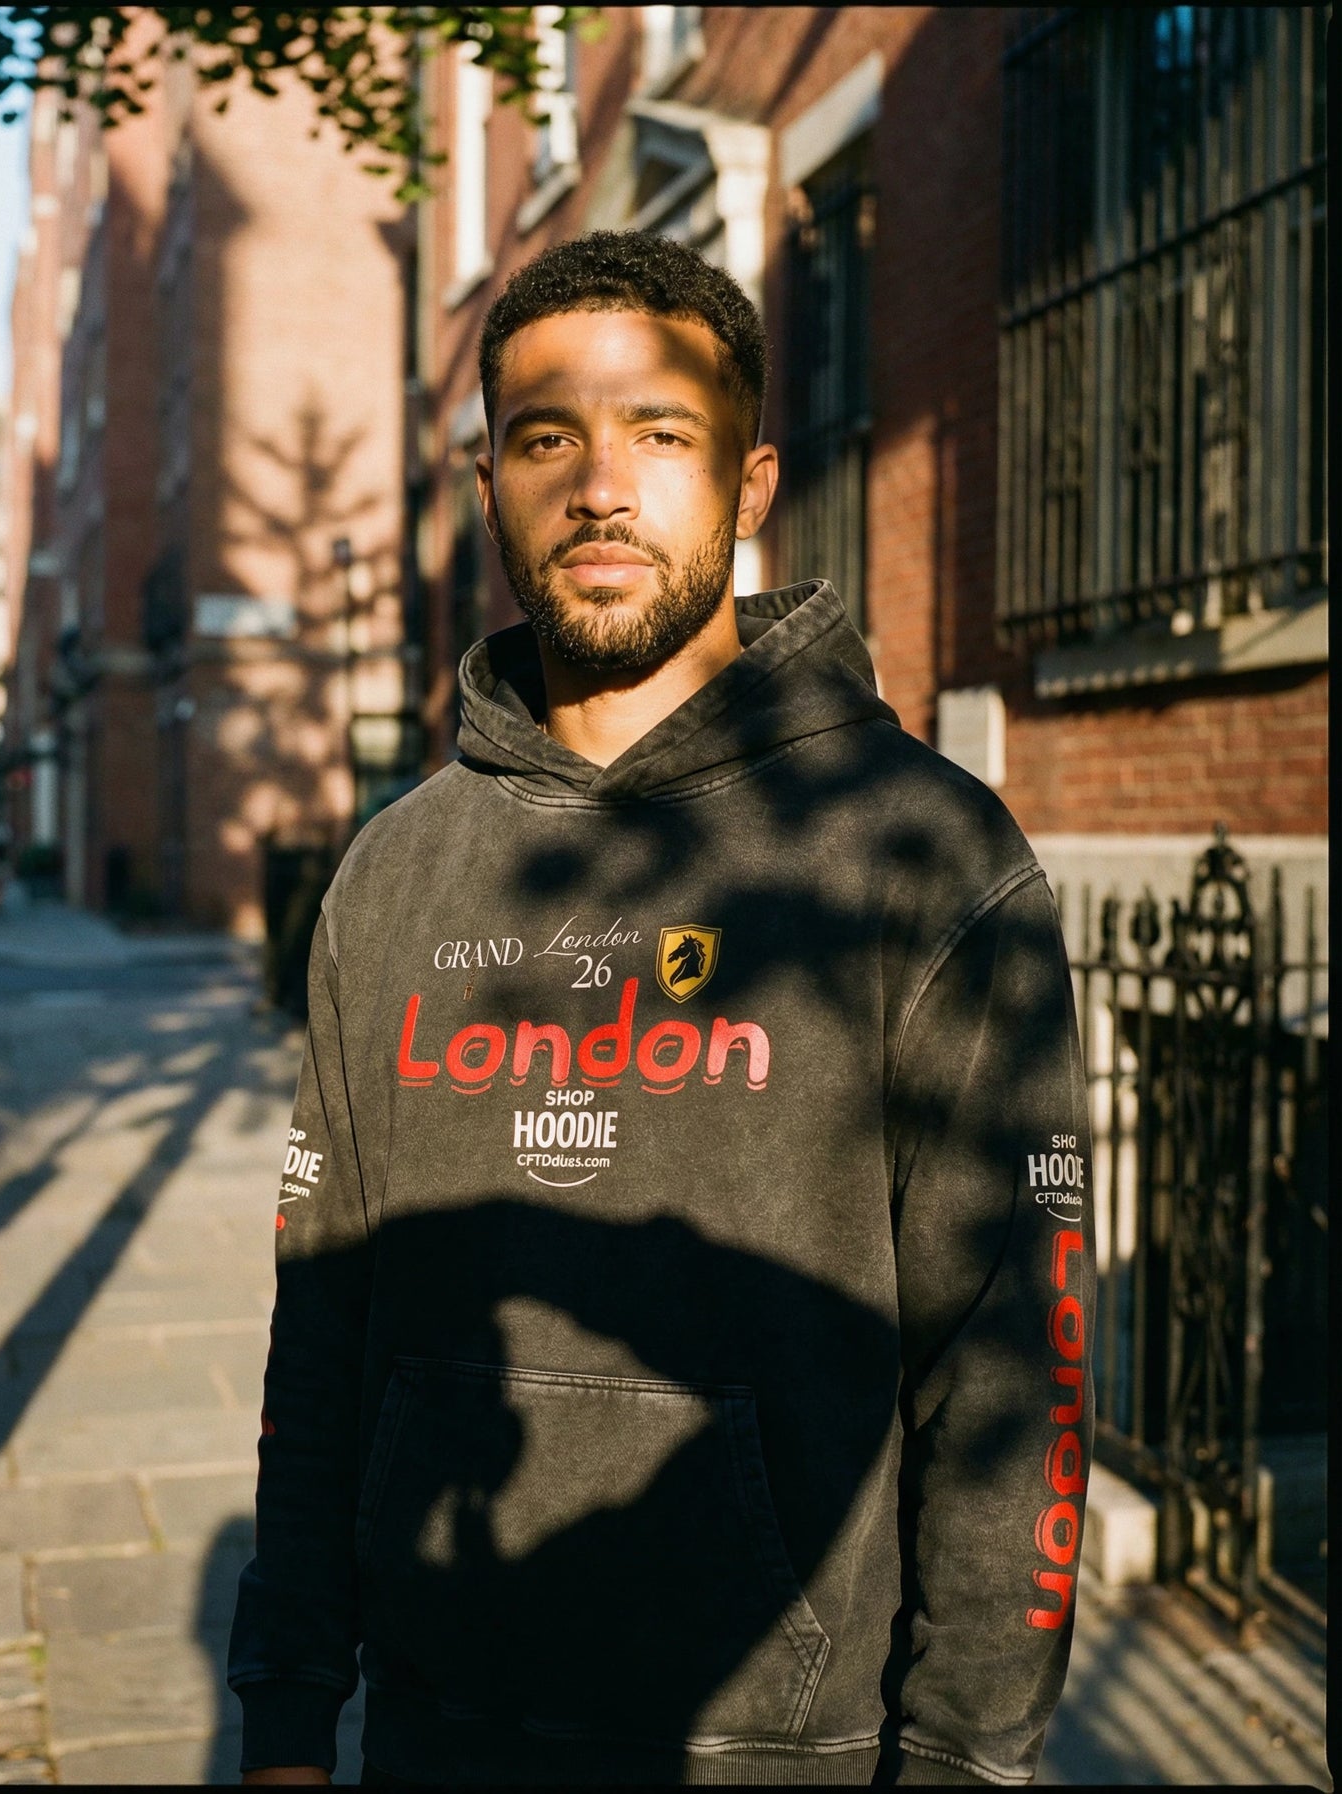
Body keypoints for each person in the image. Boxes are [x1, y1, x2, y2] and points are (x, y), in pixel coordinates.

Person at [229, 231, 1095, 1787]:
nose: (599, 487)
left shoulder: (923, 853)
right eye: (544, 439)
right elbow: (324, 1321)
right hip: (433, 1735)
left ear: (750, 485)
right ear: (486, 482)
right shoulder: (394, 872)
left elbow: (1009, 1369)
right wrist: (289, 1702)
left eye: (659, 435)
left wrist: (966, 1759)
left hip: (779, 1744)